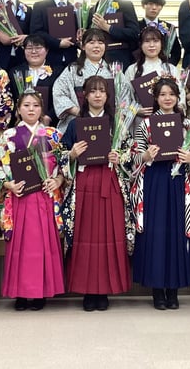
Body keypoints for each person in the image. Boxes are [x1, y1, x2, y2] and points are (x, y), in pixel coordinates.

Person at [60, 76, 132, 311]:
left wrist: (119, 157)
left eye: (102, 91)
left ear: (107, 96)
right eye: (93, 91)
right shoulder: (75, 124)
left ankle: (105, 291)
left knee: (109, 235)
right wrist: (71, 154)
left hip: (109, 181)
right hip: (84, 182)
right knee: (85, 236)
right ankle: (87, 290)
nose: (98, 95)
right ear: (85, 95)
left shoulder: (116, 123)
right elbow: (60, 153)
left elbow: (129, 152)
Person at [130, 78, 190, 310]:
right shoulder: (146, 124)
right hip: (155, 180)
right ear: (156, 98)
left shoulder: (187, 124)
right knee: (156, 232)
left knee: (177, 231)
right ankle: (157, 290)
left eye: (171, 94)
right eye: (162, 94)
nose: (167, 98)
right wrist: (146, 156)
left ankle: (173, 289)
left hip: (179, 181)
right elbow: (135, 156)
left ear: (178, 97)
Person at [0, 91, 65, 311]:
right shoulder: (9, 135)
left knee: (42, 245)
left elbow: (64, 165)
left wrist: (57, 181)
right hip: (20, 196)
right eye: (26, 105)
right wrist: (8, 184)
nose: (31, 109)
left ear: (41, 109)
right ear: (18, 110)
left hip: (45, 195)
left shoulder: (53, 135)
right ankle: (21, 293)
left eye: (35, 105)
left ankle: (41, 291)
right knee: (21, 246)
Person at [53, 29, 113, 133]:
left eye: (100, 43)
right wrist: (78, 111)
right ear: (83, 46)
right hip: (78, 120)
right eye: (91, 42)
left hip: (108, 122)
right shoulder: (73, 69)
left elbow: (124, 96)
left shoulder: (113, 71)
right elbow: (59, 92)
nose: (96, 46)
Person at [124, 26, 185, 127]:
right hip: (141, 122)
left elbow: (181, 94)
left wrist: (171, 106)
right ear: (141, 45)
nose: (151, 45)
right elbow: (124, 98)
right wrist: (136, 110)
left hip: (167, 120)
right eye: (147, 41)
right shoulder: (132, 70)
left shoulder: (171, 69)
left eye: (156, 41)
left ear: (161, 44)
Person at [86, 0, 140, 68]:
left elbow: (134, 33)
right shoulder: (91, 11)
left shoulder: (125, 6)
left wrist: (108, 28)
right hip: (98, 61)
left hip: (121, 59)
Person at [29, 0, 78, 68]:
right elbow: (36, 32)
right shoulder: (40, 7)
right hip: (49, 59)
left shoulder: (75, 9)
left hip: (72, 59)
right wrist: (58, 43)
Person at [9, 34, 62, 127]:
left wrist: (49, 116)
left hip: (49, 123)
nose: (34, 51)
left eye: (38, 48)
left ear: (47, 50)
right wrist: (17, 112)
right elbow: (11, 97)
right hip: (21, 122)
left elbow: (61, 97)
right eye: (29, 48)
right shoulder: (15, 72)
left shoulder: (58, 71)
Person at [139, 0, 181, 66]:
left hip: (163, 69)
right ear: (143, 5)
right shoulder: (135, 26)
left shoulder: (169, 28)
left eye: (158, 5)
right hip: (140, 67)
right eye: (150, 4)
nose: (154, 7)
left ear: (161, 7)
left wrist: (167, 67)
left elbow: (176, 52)